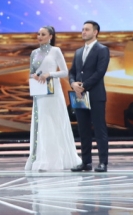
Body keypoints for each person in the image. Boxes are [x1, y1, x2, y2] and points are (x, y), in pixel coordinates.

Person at [25, 26, 80, 172]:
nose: (39, 36)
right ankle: (42, 158)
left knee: (54, 122)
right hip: (40, 93)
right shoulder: (34, 53)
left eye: (43, 34)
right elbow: (31, 73)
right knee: (43, 123)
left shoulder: (55, 51)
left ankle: (57, 159)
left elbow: (64, 72)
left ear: (50, 36)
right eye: (38, 34)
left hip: (53, 92)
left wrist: (50, 74)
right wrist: (35, 76)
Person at [69, 20, 110, 172]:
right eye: (82, 29)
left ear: (95, 32)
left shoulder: (102, 50)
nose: (83, 32)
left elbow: (100, 72)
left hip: (95, 95)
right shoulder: (78, 52)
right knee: (83, 130)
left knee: (99, 129)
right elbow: (72, 72)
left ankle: (103, 162)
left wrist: (83, 86)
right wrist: (73, 83)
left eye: (87, 29)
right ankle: (86, 162)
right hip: (80, 96)